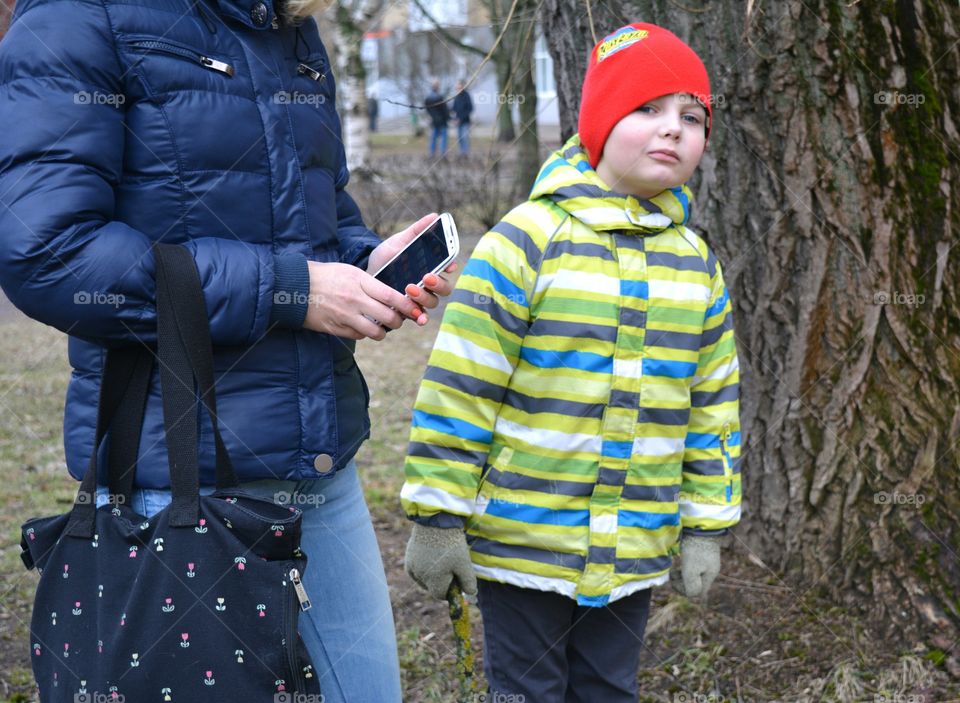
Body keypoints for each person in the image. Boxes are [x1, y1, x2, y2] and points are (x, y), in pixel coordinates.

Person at [0, 1, 456, 701]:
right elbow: (49, 254)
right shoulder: (76, 15)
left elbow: (319, 219)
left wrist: (367, 265)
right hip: (177, 486)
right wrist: (290, 290)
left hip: (322, 473)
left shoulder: (286, 23)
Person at [401, 22, 741, 702]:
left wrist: (705, 523)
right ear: (599, 123)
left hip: (634, 550)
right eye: (646, 108)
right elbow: (461, 386)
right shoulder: (526, 241)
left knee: (608, 687)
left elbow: (712, 406)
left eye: (691, 116)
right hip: (523, 544)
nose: (672, 129)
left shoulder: (696, 265)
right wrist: (437, 516)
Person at [424, 79, 450, 158]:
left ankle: (433, 154)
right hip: (441, 122)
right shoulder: (439, 97)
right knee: (441, 139)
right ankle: (440, 154)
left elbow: (428, 110)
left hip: (436, 122)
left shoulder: (428, 98)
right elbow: (445, 110)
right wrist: (448, 118)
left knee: (434, 139)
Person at [452, 79, 474, 157]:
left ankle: (466, 153)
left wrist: (461, 118)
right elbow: (454, 108)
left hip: (465, 121)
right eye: (457, 86)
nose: (457, 87)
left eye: (459, 85)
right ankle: (461, 153)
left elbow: (470, 108)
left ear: (462, 86)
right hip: (457, 122)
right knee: (459, 138)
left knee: (465, 138)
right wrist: (454, 119)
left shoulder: (466, 96)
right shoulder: (456, 97)